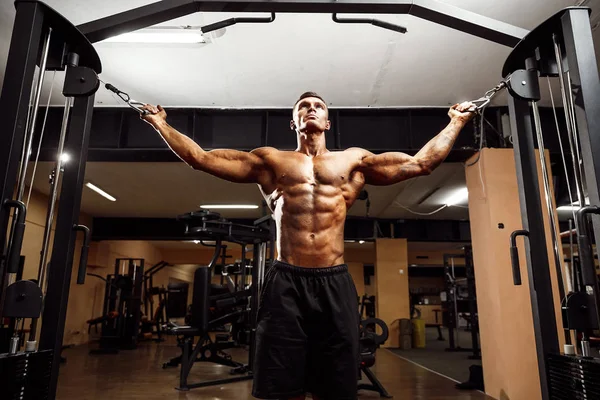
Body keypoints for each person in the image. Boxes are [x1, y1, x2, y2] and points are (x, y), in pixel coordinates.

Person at [141, 93, 476, 400]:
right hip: (286, 280)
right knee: (281, 378)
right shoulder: (270, 161)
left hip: (334, 279)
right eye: (303, 107)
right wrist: (160, 123)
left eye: (318, 106)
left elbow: (421, 164)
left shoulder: (353, 161)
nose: (311, 109)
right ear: (294, 122)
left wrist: (457, 121)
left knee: (338, 380)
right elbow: (200, 158)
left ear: (327, 122)